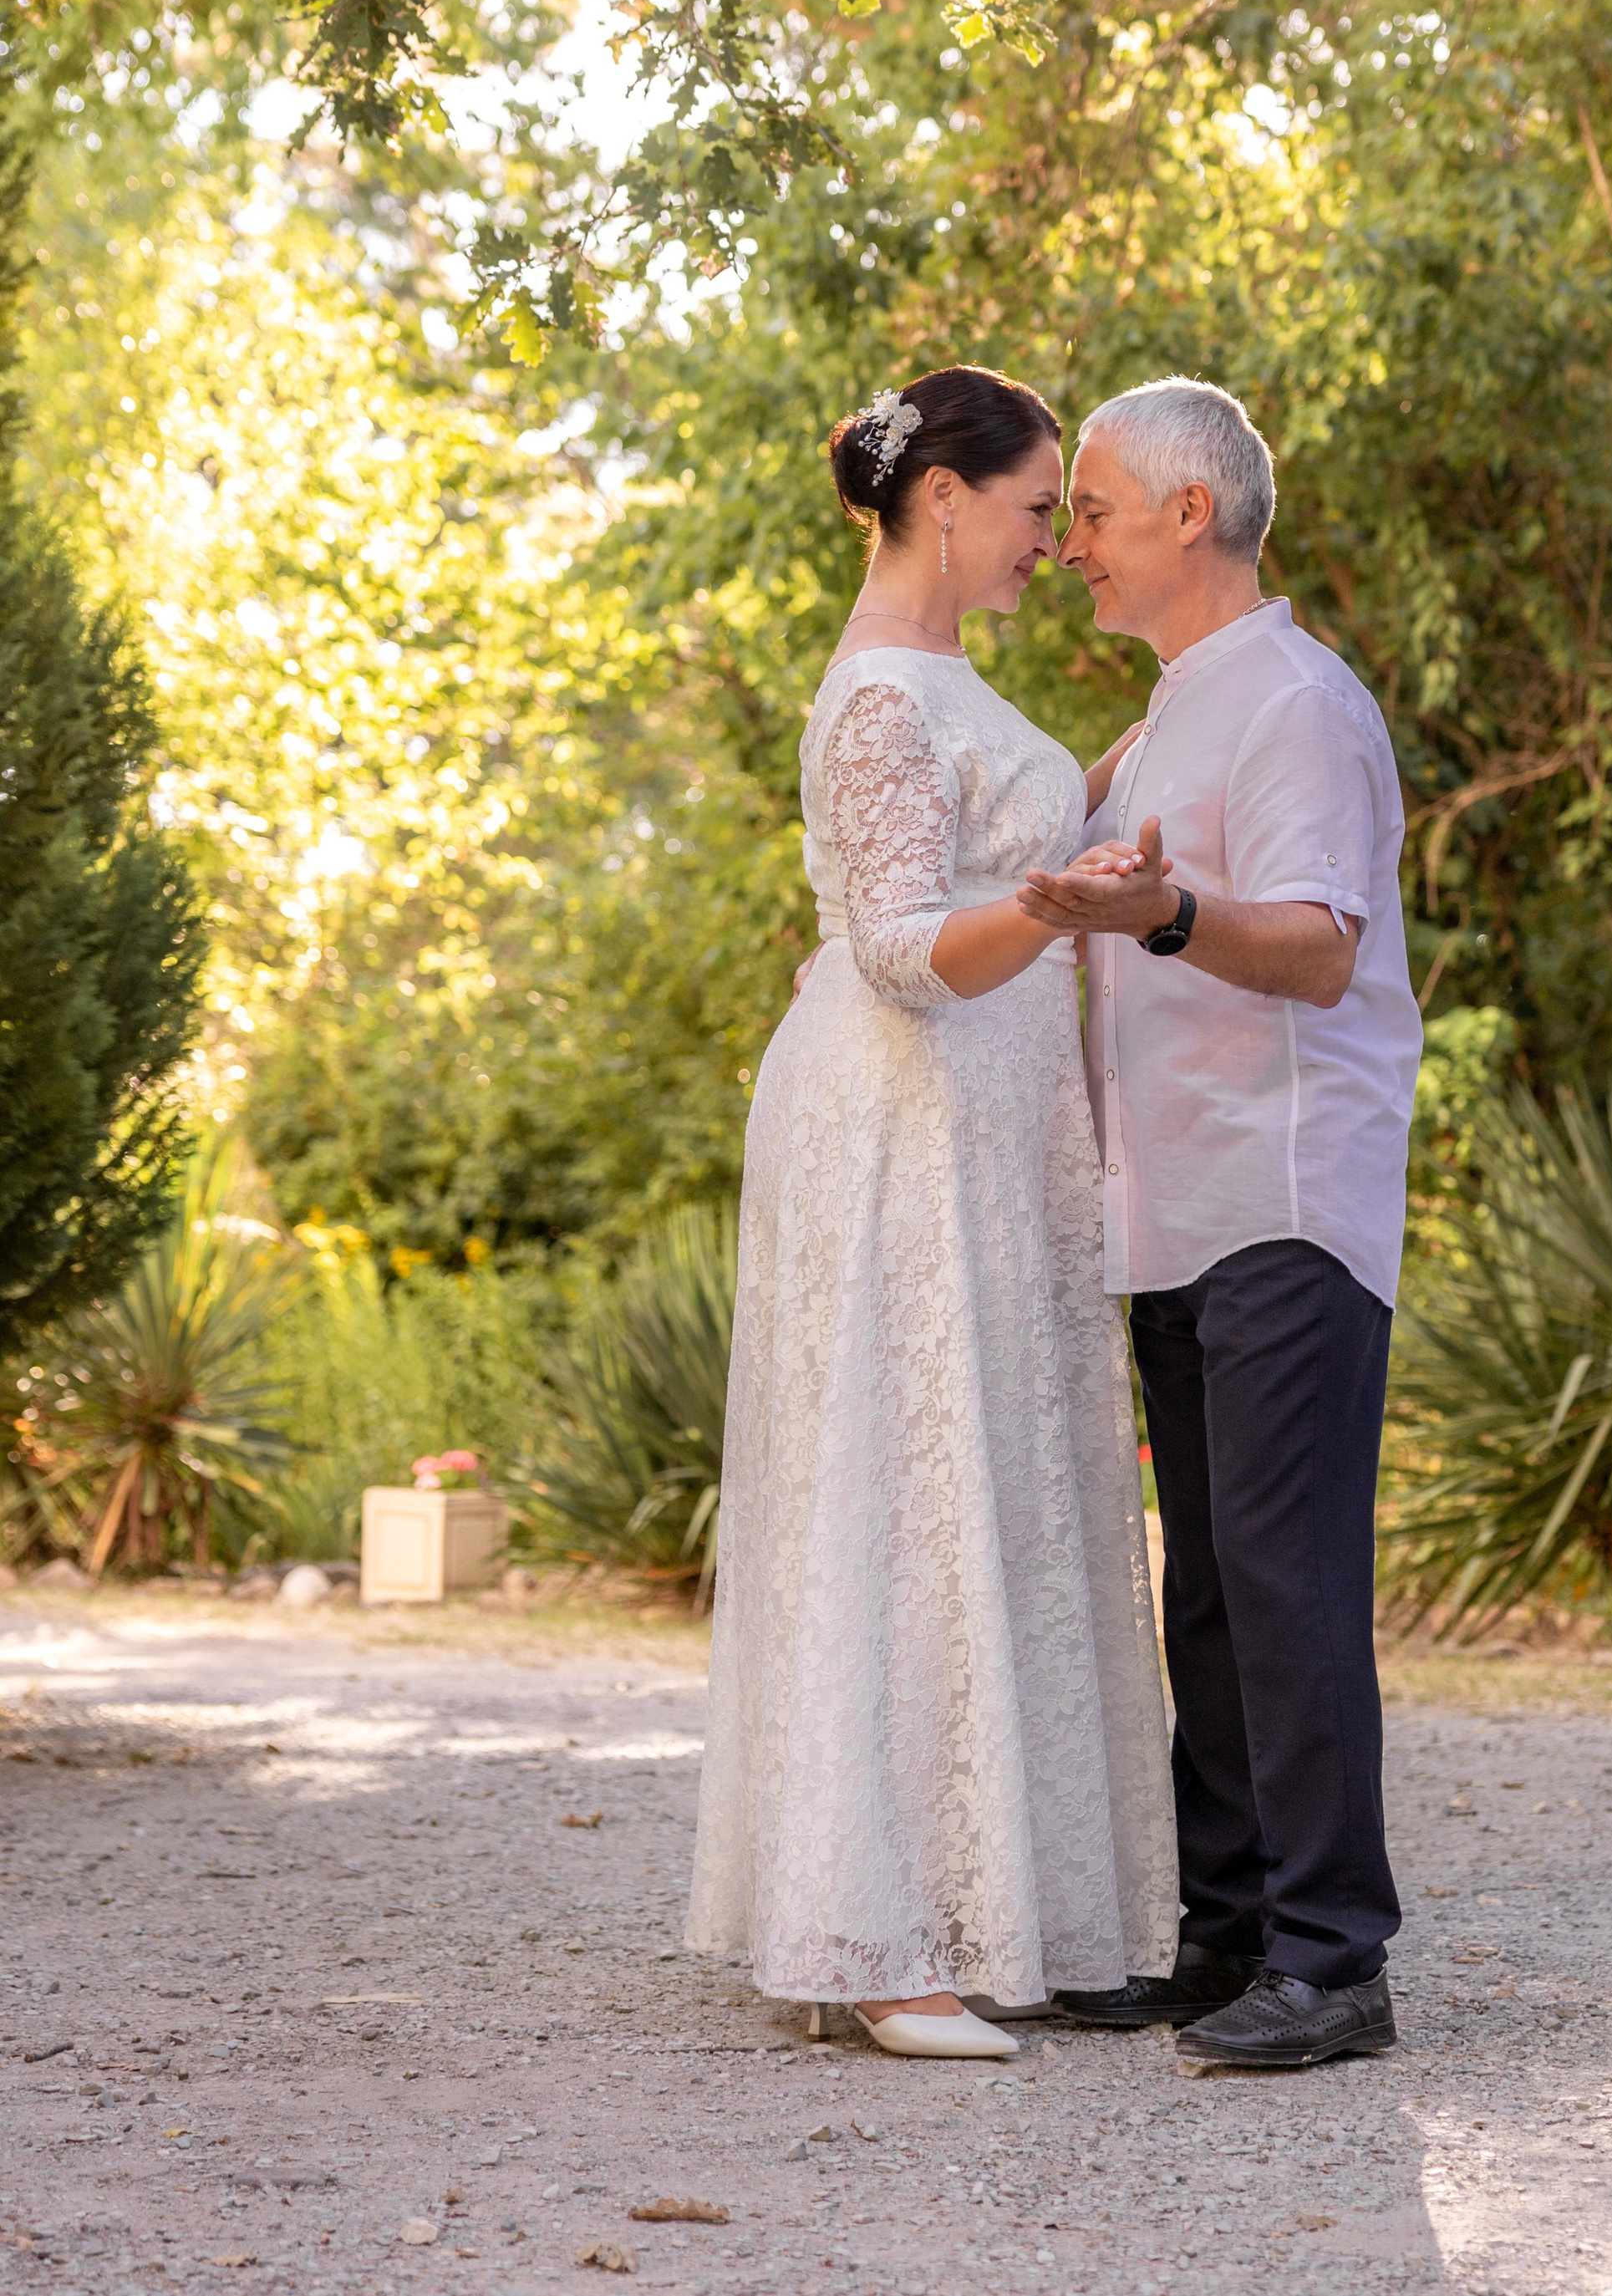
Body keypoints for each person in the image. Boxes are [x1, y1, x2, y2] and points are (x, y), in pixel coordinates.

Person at [685, 364, 1176, 2062]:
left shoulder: (953, 686)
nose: (1055, 541)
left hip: (988, 1129)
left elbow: (1019, 836)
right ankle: (879, 1937)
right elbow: (902, 950)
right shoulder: (880, 701)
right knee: (903, 1487)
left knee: (991, 1478)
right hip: (901, 1126)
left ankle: (1004, 1907)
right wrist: (1050, 906)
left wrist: (1135, 773)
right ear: (944, 496)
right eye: (1042, 508)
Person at [1019, 376, 1421, 2074]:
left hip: (1283, 1200)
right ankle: (1228, 1937)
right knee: (1207, 1595)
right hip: (1170, 1210)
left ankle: (1335, 1959)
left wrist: (1166, 909)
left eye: (1093, 508)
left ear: (1192, 514)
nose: (1074, 546)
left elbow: (1319, 947)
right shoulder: (1167, 712)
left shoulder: (1295, 702)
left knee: (1282, 1577)